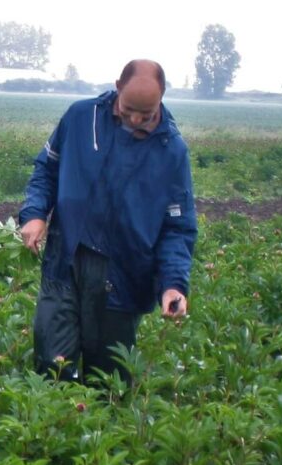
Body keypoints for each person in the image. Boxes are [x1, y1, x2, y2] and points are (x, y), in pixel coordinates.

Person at [18, 59, 197, 383]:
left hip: (124, 275)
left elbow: (177, 227)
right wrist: (34, 215)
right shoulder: (81, 118)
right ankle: (51, 430)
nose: (136, 119)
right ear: (117, 87)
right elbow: (46, 170)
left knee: (109, 381)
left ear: (163, 96)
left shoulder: (171, 151)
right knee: (52, 369)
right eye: (129, 109)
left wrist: (174, 284)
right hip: (66, 260)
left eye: (146, 113)